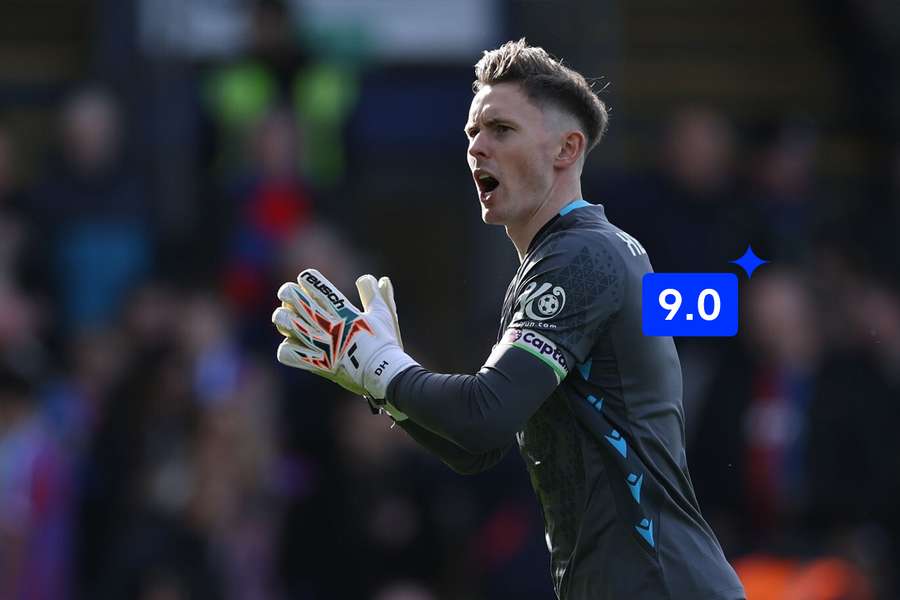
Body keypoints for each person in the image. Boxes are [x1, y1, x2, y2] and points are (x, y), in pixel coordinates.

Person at [272, 39, 746, 599]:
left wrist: (381, 365)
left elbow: (484, 415)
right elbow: (477, 450)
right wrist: (376, 382)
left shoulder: (580, 257)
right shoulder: (561, 261)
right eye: (472, 132)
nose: (477, 147)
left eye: (501, 129)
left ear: (566, 150)